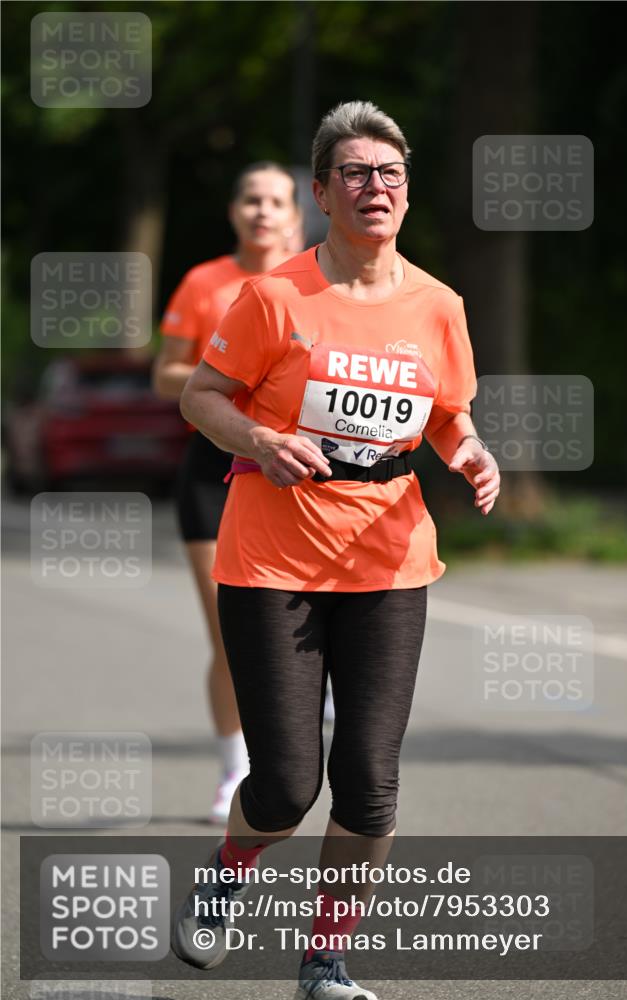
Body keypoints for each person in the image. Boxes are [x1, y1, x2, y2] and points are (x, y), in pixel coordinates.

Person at [172, 101, 501, 998]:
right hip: (271, 562)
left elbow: (447, 414)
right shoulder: (274, 295)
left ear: (406, 191)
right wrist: (258, 440)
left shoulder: (437, 304)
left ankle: (325, 959)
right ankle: (230, 867)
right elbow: (200, 395)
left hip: (388, 561)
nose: (374, 187)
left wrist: (468, 452)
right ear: (322, 192)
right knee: (284, 784)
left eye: (389, 173)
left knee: (367, 782)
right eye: (354, 173)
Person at [152, 162, 301, 823]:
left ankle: (307, 714)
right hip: (213, 470)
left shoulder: (316, 284)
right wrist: (225, 385)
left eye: (275, 201)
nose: (262, 211)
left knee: (305, 621)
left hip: (294, 473)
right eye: (250, 199)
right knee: (228, 632)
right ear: (233, 210)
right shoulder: (204, 281)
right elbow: (166, 378)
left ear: (298, 213)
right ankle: (233, 768)